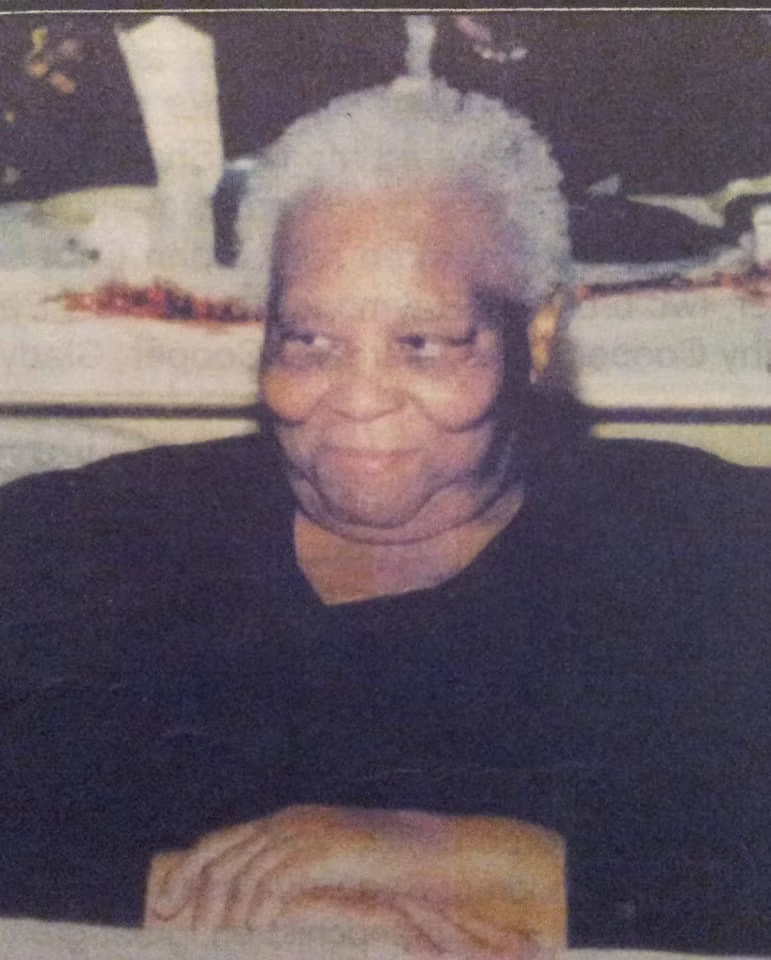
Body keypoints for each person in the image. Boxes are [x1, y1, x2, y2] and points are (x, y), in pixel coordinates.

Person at [0, 75, 770, 954]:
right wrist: (186, 896)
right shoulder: (86, 541)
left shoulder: (709, 548)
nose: (358, 398)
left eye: (426, 344)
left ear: (539, 336)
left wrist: (489, 861)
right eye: (309, 341)